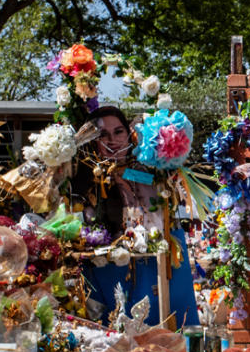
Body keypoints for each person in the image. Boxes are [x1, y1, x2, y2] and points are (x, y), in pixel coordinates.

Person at [74, 106, 200, 328]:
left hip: (160, 270)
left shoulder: (153, 170)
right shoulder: (86, 182)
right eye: (103, 135)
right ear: (93, 140)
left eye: (118, 132)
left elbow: (163, 206)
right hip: (113, 275)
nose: (112, 140)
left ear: (129, 134)